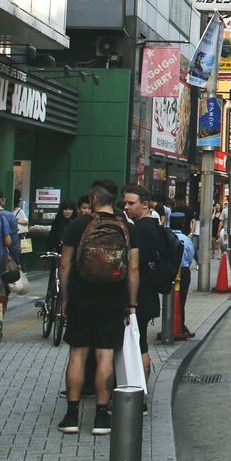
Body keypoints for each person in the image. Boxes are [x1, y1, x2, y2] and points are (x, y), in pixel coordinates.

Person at [58, 181, 139, 436]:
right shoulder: (126, 226)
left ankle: (72, 415)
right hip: (113, 298)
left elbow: (65, 264)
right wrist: (132, 303)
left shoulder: (78, 225)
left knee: (78, 355)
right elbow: (133, 269)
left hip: (81, 297)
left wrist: (64, 298)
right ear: (114, 200)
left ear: (93, 198)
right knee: (105, 355)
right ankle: (102, 417)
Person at [122, 185, 161, 385]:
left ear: (144, 205)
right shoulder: (149, 225)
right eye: (125, 203)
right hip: (146, 293)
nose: (126, 207)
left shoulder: (141, 229)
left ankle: (141, 393)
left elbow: (133, 265)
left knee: (140, 343)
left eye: (131, 203)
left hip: (140, 294)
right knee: (140, 341)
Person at [170, 227, 196, 338]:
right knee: (181, 299)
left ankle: (168, 324)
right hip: (184, 271)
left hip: (170, 271)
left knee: (169, 299)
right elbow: (190, 257)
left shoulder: (168, 237)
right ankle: (180, 325)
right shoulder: (186, 239)